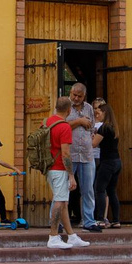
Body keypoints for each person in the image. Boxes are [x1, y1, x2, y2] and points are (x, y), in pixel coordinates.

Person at [42, 96, 86, 248]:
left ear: (56, 107)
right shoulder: (65, 126)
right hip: (59, 168)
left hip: (49, 167)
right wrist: (71, 175)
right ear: (69, 110)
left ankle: (71, 236)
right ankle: (53, 236)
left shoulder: (47, 122)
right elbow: (66, 153)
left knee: (64, 202)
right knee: (59, 201)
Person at [65, 83, 102, 233]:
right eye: (74, 95)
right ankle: (59, 221)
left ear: (84, 96)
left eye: (79, 96)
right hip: (70, 154)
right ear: (70, 92)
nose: (76, 98)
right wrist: (79, 122)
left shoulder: (88, 108)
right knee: (64, 189)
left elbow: (92, 127)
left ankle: (89, 221)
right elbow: (60, 125)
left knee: (88, 190)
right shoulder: (64, 106)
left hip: (87, 154)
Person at [92, 100, 122, 229]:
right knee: (111, 190)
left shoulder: (104, 127)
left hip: (107, 162)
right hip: (117, 162)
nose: (97, 115)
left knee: (99, 189)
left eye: (98, 113)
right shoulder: (113, 127)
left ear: (104, 112)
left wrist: (90, 137)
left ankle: (100, 219)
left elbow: (93, 144)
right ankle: (116, 220)